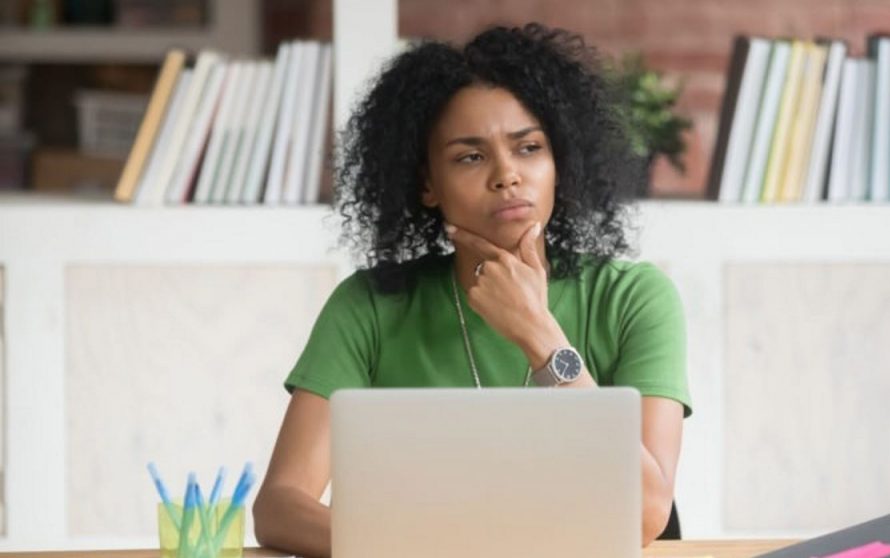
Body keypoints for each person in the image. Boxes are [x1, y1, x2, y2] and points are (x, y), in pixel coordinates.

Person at [252, 22, 692, 557]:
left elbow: (648, 513)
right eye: (470, 156)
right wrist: (415, 552)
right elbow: (279, 506)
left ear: (560, 164)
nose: (507, 175)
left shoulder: (634, 298)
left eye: (529, 147)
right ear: (426, 185)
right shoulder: (369, 306)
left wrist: (539, 335)